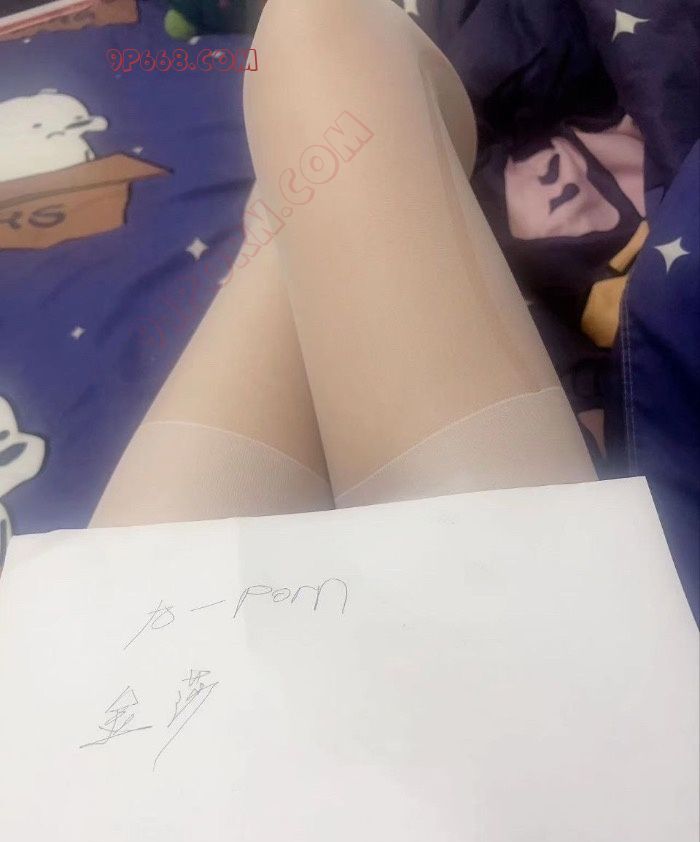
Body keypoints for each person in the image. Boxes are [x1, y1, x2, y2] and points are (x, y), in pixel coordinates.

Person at [91, 0, 595, 529]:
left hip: (132, 578)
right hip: (506, 554)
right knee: (317, 18)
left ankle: (289, 211)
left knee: (313, 29)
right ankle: (312, 195)